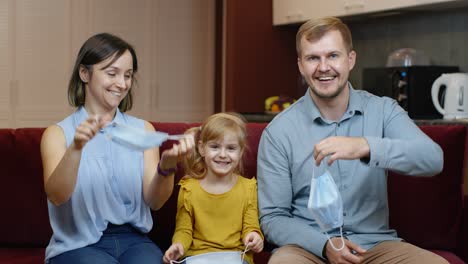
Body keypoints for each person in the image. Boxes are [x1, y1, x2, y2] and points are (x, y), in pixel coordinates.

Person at [257, 16, 448, 264]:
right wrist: (324, 246)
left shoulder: (383, 111)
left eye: (333, 56)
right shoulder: (278, 131)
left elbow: (433, 159)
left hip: (375, 246)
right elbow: (273, 217)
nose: (323, 67)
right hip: (307, 249)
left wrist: (366, 146)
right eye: (313, 58)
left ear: (351, 59)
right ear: (300, 65)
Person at [40, 32, 195, 264]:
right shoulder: (57, 134)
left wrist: (167, 167)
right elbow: (57, 195)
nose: (122, 84)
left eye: (128, 75)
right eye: (112, 73)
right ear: (84, 73)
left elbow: (155, 202)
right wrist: (77, 147)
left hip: (134, 240)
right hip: (78, 245)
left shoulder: (144, 130)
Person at [163, 113, 264, 264]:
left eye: (231, 148)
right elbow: (184, 230)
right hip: (196, 258)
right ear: (202, 149)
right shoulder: (189, 188)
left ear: (241, 152)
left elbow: (251, 226)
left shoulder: (248, 188)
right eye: (215, 147)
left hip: (235, 257)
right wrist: (178, 245)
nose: (222, 155)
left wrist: (254, 237)